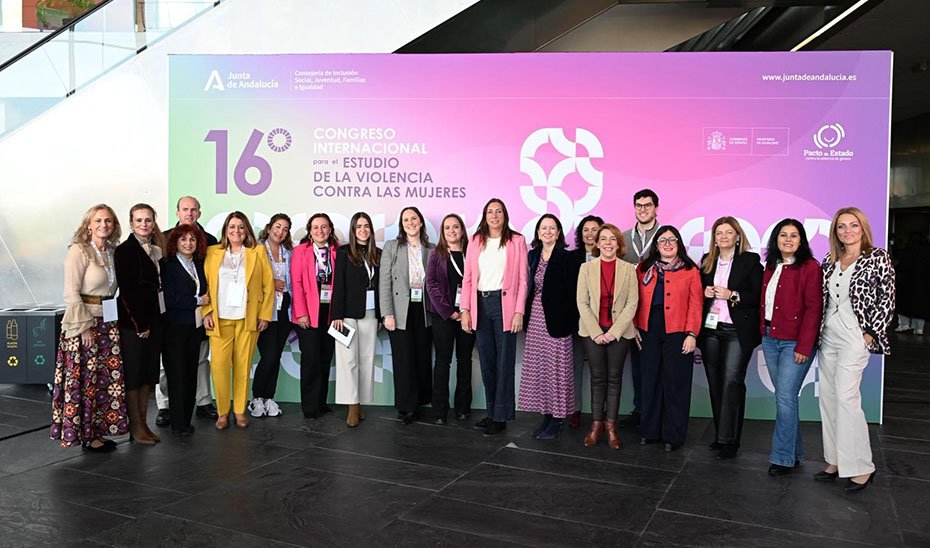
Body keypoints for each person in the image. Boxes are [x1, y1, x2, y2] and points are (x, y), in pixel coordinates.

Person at [817, 207, 895, 492]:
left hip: (855, 335)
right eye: (841, 227)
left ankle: (861, 466)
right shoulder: (830, 260)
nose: (847, 231)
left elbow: (886, 298)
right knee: (828, 397)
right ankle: (836, 460)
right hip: (828, 333)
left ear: (862, 228)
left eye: (853, 225)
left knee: (847, 399)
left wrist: (871, 333)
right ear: (835, 232)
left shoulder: (877, 257)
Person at [51, 204, 127, 451]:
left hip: (108, 322)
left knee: (104, 381)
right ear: (88, 225)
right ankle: (84, 435)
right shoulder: (79, 251)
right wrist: (83, 327)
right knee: (84, 381)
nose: (103, 225)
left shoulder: (113, 252)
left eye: (108, 221)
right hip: (84, 323)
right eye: (98, 221)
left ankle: (97, 432)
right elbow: (71, 293)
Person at [759, 219, 823, 476]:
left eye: (793, 235)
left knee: (785, 397)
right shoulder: (770, 266)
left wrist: (804, 346)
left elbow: (814, 309)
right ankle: (794, 453)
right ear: (776, 239)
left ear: (801, 240)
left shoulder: (810, 267)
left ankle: (782, 457)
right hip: (769, 338)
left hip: (795, 343)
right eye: (783, 235)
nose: (787, 239)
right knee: (785, 398)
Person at [460, 198, 528, 437]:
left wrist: (519, 311)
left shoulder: (517, 241)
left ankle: (501, 417)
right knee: (487, 361)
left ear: (505, 215)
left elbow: (522, 280)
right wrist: (465, 309)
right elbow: (468, 278)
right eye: (490, 211)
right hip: (480, 303)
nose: (494, 215)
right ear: (485, 215)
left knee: (504, 362)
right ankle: (491, 413)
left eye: (499, 211)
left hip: (504, 305)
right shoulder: (475, 241)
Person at [697, 217, 763, 460]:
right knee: (715, 382)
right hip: (711, 329)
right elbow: (696, 293)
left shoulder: (750, 261)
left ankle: (731, 440)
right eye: (719, 232)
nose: (723, 236)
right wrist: (705, 292)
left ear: (738, 237)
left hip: (737, 330)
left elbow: (757, 296)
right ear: (714, 237)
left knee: (732, 382)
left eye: (729, 232)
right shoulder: (706, 261)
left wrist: (732, 294)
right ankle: (720, 436)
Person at [202, 212, 274, 429]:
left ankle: (240, 410)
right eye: (232, 227)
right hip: (220, 319)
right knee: (220, 367)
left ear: (247, 230)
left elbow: (268, 285)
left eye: (241, 227)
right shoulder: (212, 252)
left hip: (247, 318)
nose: (236, 231)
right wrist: (206, 311)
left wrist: (264, 315)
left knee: (243, 366)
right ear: (225, 230)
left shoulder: (257, 252)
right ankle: (222, 412)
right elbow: (203, 285)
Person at [634, 225, 702, 451]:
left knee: (676, 384)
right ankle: (650, 431)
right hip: (648, 329)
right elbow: (634, 300)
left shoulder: (691, 270)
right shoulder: (644, 268)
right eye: (662, 240)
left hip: (678, 331)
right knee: (650, 381)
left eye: (672, 240)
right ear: (656, 245)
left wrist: (692, 333)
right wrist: (634, 327)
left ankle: (674, 435)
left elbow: (696, 304)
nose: (667, 243)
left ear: (679, 244)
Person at [157, 195, 219, 428]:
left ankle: (201, 403)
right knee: (168, 367)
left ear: (199, 213)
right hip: (173, 320)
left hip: (197, 320)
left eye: (194, 209)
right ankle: (166, 406)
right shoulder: (162, 240)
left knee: (199, 362)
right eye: (185, 209)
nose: (189, 213)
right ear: (177, 212)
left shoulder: (210, 241)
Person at [518, 214, 581, 439]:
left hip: (558, 321)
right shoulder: (533, 254)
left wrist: (571, 322)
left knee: (558, 370)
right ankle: (546, 415)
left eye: (551, 228)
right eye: (543, 228)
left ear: (558, 232)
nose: (547, 232)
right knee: (541, 369)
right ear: (537, 232)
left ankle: (558, 419)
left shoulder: (567, 258)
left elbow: (574, 293)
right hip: (535, 319)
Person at [576, 224, 638, 449]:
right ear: (597, 243)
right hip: (592, 333)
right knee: (597, 378)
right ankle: (595, 426)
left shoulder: (629, 269)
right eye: (603, 239)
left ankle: (611, 427)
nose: (608, 243)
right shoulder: (586, 268)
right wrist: (597, 333)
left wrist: (613, 332)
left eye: (613, 239)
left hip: (619, 334)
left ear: (619, 243)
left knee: (614, 379)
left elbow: (632, 304)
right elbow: (581, 303)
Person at [114, 203, 167, 445]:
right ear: (131, 223)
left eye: (148, 220)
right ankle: (135, 425)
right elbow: (128, 292)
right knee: (134, 375)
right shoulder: (125, 250)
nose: (144, 224)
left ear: (154, 222)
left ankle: (144, 423)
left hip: (155, 320)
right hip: (135, 324)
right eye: (139, 220)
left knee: (148, 374)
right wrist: (140, 324)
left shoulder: (156, 250)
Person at [381, 206, 435, 424]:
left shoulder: (431, 249)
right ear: (401, 225)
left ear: (420, 222)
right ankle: (406, 405)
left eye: (414, 218)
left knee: (422, 357)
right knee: (403, 359)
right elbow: (384, 282)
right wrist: (387, 314)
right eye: (405, 220)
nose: (410, 222)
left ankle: (419, 402)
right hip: (399, 310)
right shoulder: (392, 247)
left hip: (424, 309)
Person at [332, 212, 382, 427]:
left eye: (366, 226)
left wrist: (381, 315)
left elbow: (382, 287)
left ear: (370, 229)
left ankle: (360, 402)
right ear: (353, 230)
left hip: (371, 313)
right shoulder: (344, 252)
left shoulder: (377, 254)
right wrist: (336, 315)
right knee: (347, 360)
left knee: (366, 359)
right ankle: (351, 406)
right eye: (358, 226)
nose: (362, 230)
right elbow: (338, 285)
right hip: (347, 315)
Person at [425, 213, 475, 424]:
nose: (452, 231)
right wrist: (449, 312)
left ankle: (463, 408)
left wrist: (465, 312)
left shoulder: (471, 253)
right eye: (447, 228)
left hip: (467, 315)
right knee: (442, 362)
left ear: (462, 230)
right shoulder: (436, 254)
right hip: (443, 317)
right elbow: (431, 285)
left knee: (465, 361)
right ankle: (439, 411)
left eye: (456, 227)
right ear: (442, 232)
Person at [160, 224, 209, 436]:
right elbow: (169, 299)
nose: (188, 244)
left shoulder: (198, 264)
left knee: (191, 373)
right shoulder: (167, 265)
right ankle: (178, 422)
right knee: (177, 374)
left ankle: (185, 420)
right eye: (183, 240)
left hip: (194, 328)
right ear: (175, 243)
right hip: (174, 329)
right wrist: (197, 300)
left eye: (192, 240)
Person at [290, 213, 339, 419]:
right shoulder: (301, 251)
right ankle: (310, 407)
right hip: (308, 313)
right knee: (310, 359)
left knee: (325, 359)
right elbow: (296, 283)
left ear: (330, 229)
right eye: (316, 227)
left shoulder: (338, 251)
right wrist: (301, 312)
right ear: (309, 231)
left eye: (324, 227)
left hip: (330, 312)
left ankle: (321, 402)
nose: (320, 231)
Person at [621, 188, 661, 428]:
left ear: (656, 207)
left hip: (657, 309)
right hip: (629, 310)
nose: (643, 209)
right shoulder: (624, 237)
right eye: (639, 205)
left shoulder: (666, 236)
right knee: (636, 363)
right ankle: (640, 409)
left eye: (647, 205)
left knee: (655, 363)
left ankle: (655, 410)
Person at [250, 214, 294, 418]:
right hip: (265, 307)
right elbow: (250, 278)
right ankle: (256, 397)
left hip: (284, 306)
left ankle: (269, 397)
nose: (280, 232)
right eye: (277, 227)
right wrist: (271, 282)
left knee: (275, 355)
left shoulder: (289, 252)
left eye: (285, 229)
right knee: (268, 355)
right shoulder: (257, 249)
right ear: (269, 228)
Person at [568, 214, 604, 428]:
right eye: (586, 230)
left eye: (594, 229)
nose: (590, 234)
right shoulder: (571, 258)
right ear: (581, 234)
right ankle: (575, 409)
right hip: (577, 323)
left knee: (601, 371)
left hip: (604, 324)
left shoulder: (610, 256)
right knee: (575, 368)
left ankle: (602, 412)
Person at [894, 233, 929, 335]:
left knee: (903, 304)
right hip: (923, 284)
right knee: (920, 306)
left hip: (906, 283)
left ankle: (904, 325)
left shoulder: (907, 251)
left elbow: (900, 266)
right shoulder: (927, 251)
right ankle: (919, 328)